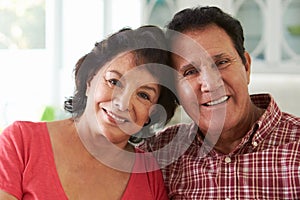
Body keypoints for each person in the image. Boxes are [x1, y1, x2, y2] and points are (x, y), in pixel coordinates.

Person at [0, 25, 178, 199]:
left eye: (143, 95)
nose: (122, 103)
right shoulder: (20, 143)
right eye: (114, 82)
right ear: (90, 79)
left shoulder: (150, 175)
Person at [142, 6, 300, 199]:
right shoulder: (158, 154)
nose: (210, 83)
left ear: (247, 66)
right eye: (190, 72)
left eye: (221, 62)